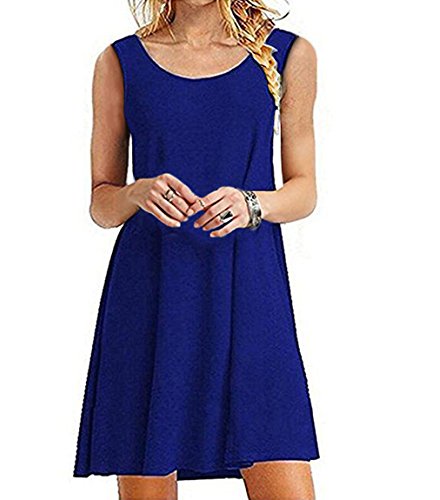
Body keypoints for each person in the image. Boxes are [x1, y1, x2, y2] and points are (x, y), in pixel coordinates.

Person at [73, 0, 319, 498]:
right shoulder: (119, 61)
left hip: (250, 289)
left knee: (280, 459)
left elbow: (304, 191)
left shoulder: (287, 53)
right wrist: (136, 192)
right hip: (153, 292)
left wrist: (252, 203)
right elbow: (102, 204)